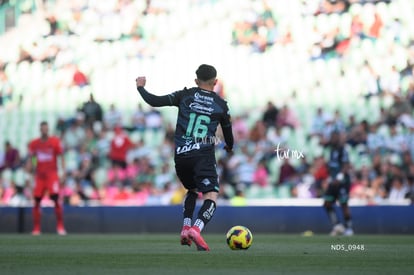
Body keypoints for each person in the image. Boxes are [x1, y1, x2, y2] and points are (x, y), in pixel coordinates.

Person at [135, 64, 234, 251]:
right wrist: (229, 146)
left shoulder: (185, 95)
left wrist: (141, 87)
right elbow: (228, 133)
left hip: (181, 156)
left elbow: (154, 101)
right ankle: (196, 229)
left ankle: (185, 227)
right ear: (216, 82)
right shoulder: (221, 105)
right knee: (211, 195)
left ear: (196, 81)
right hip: (203, 156)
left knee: (192, 189)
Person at [28, 121, 67, 235]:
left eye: (46, 129)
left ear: (48, 129)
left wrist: (63, 172)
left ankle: (60, 226)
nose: (44, 131)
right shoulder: (34, 144)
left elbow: (61, 157)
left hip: (52, 175)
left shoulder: (55, 142)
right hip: (40, 175)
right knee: (36, 200)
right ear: (40, 130)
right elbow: (32, 159)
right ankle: (36, 228)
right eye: (43, 129)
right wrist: (30, 172)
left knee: (56, 199)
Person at [323, 131, 354, 236]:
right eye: (332, 137)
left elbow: (346, 165)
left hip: (343, 182)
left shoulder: (342, 150)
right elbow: (331, 167)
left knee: (343, 204)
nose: (333, 139)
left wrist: (339, 177)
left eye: (335, 137)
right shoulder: (331, 151)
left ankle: (349, 228)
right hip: (333, 181)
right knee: (327, 203)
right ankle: (337, 225)